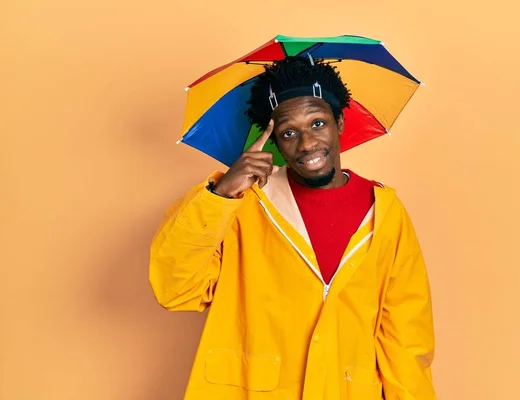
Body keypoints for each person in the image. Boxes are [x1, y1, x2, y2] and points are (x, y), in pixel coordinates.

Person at [149, 56, 437, 400]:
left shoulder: (385, 212)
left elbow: (406, 340)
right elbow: (175, 289)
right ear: (276, 142)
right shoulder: (243, 203)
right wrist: (222, 193)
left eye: (317, 123)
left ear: (340, 122)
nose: (307, 143)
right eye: (289, 132)